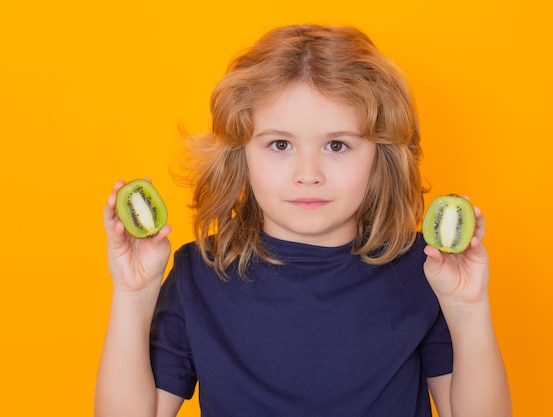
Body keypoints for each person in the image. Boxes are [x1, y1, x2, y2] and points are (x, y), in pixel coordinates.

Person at [95, 24, 511, 417]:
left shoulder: (425, 269)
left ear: (379, 157)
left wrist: (467, 308)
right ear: (242, 155)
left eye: (336, 145)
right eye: (280, 144)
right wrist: (133, 297)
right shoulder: (199, 275)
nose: (308, 172)